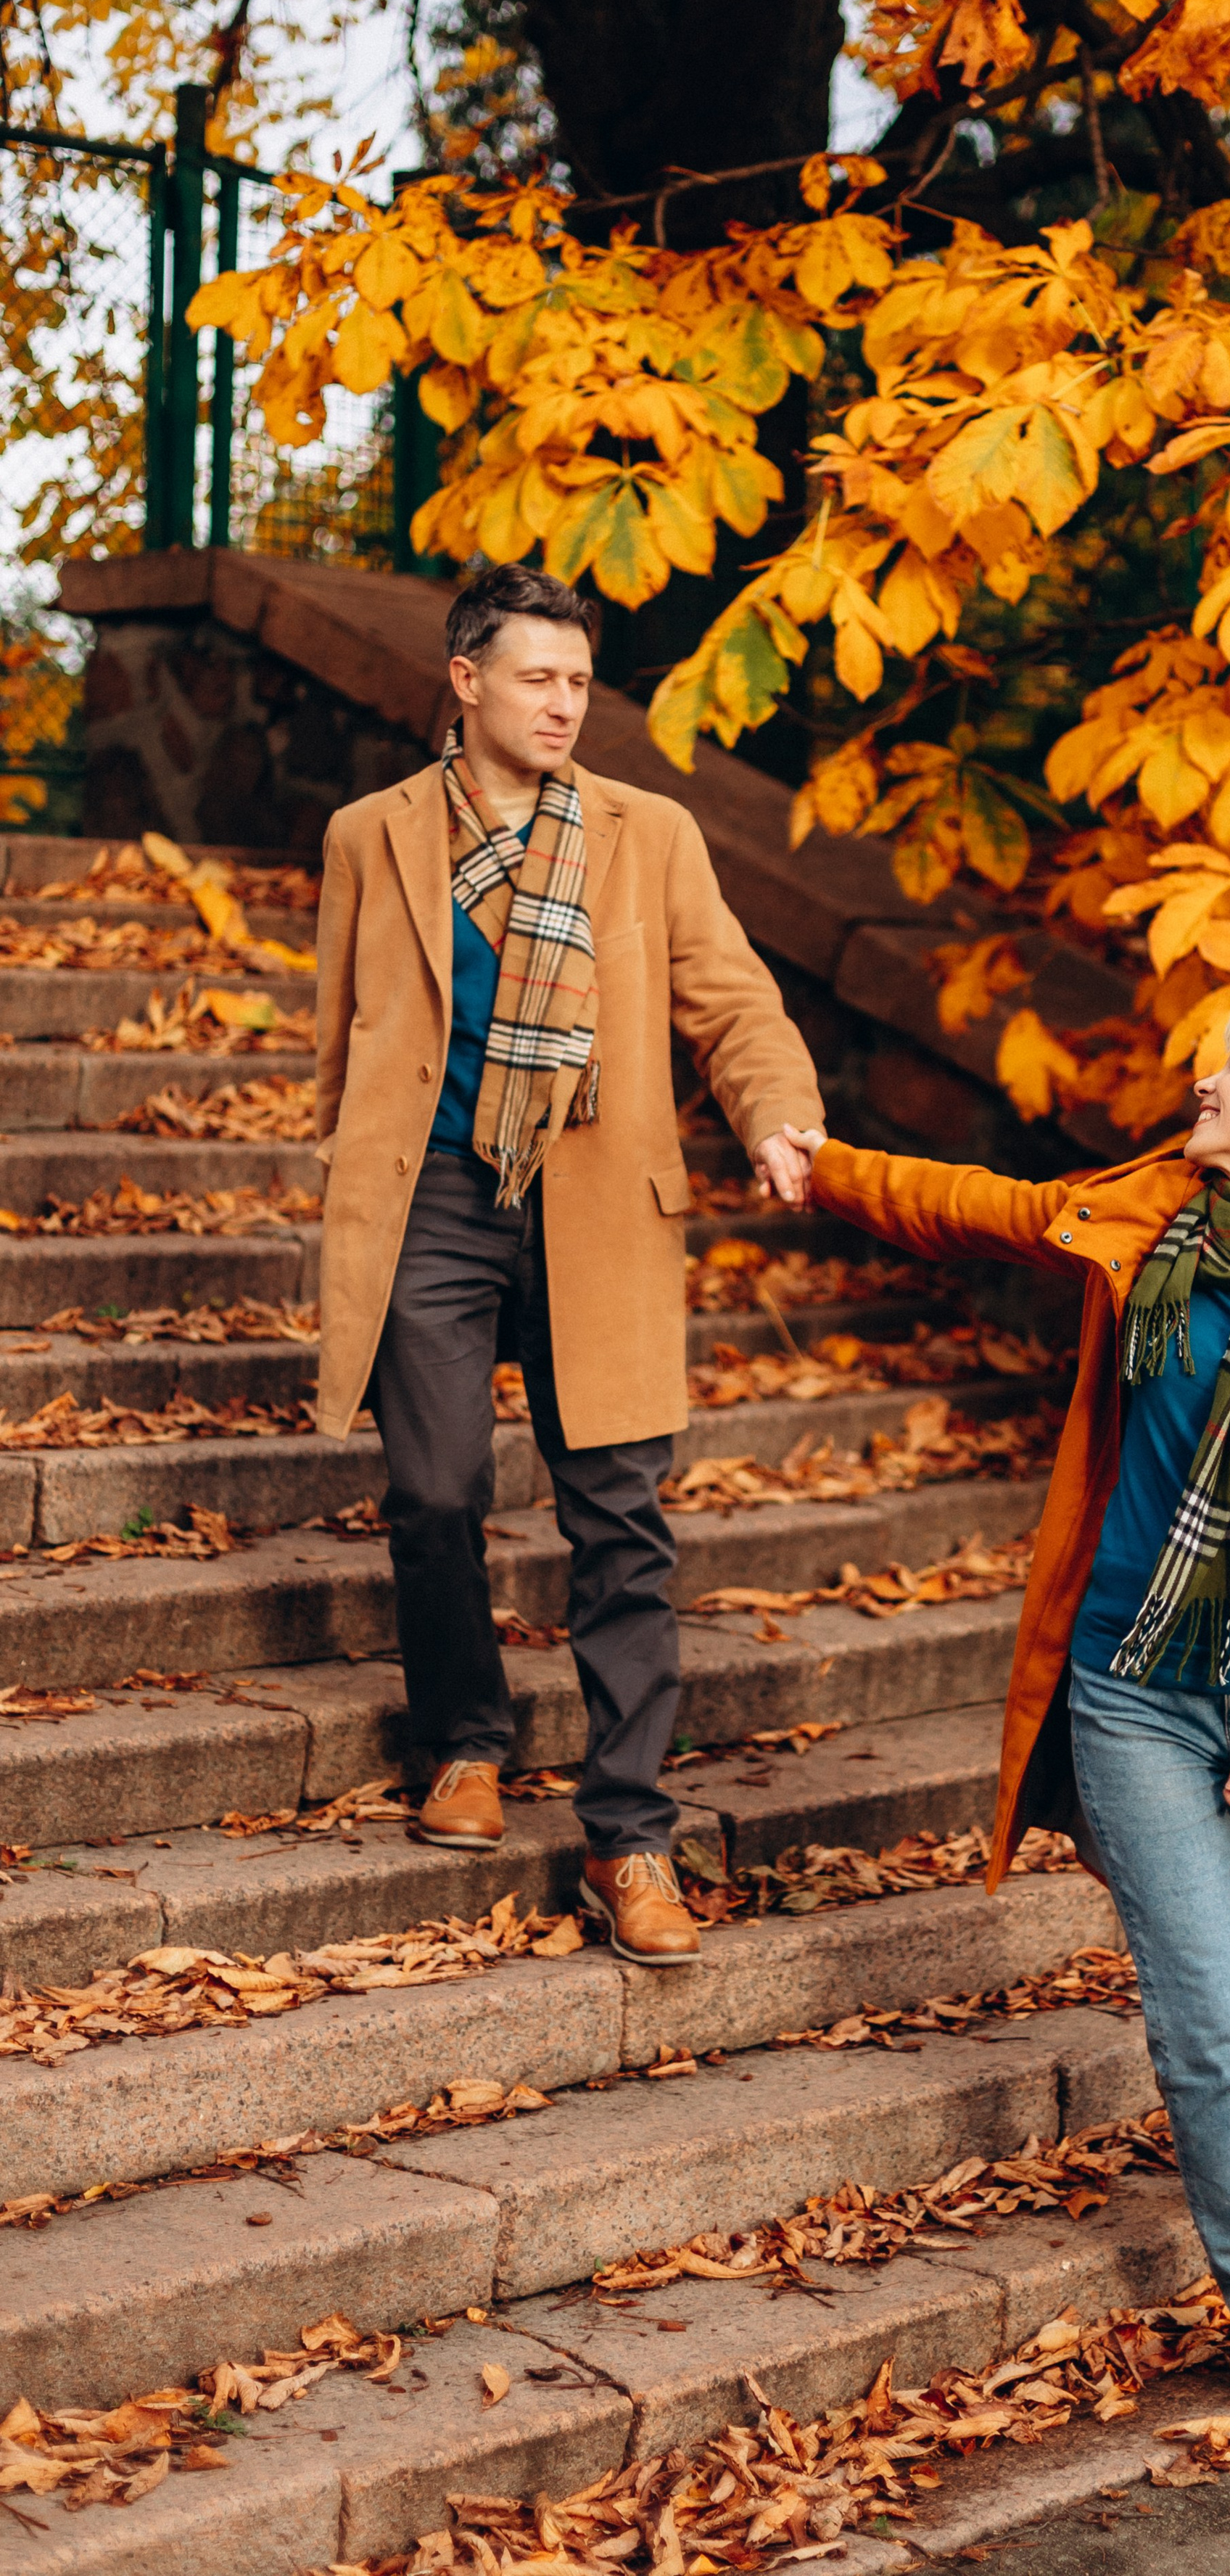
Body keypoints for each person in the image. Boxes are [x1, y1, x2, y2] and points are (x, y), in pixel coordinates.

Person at [775, 979, 1230, 2423]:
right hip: (1130, 1689)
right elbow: (977, 1205)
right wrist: (823, 1169)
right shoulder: (1145, 1213)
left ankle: (1215, 2119)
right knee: (1209, 2017)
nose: (1203, 1078)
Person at [313, 562, 826, 1963]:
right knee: (432, 1490)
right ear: (466, 680)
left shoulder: (647, 833)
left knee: (621, 1521)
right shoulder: (372, 834)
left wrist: (778, 1112)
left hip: (600, 1199)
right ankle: (464, 1746)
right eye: (537, 678)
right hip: (435, 1198)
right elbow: (342, 1031)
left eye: (580, 682)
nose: (563, 705)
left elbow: (733, 1000)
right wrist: (348, 1192)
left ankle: (631, 1837)